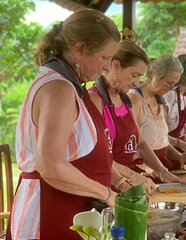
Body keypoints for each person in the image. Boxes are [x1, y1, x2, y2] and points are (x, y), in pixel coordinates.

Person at [7, 9, 123, 239]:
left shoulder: (71, 86)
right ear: (79, 50)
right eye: (104, 57)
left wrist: (119, 181)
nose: (108, 67)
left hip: (71, 210)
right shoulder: (57, 89)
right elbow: (51, 166)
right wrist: (106, 194)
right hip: (50, 209)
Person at [88, 41, 186, 192]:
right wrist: (132, 177)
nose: (136, 82)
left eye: (139, 77)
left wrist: (162, 171)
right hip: (106, 187)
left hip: (128, 183)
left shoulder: (125, 101)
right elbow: (97, 157)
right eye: (134, 75)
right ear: (115, 66)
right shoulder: (95, 100)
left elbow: (140, 142)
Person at [128, 56, 186, 171]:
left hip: (160, 167)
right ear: (155, 74)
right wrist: (159, 169)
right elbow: (137, 142)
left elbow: (160, 139)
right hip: (144, 170)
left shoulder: (159, 99)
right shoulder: (135, 98)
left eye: (174, 84)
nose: (171, 88)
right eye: (169, 83)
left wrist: (178, 156)